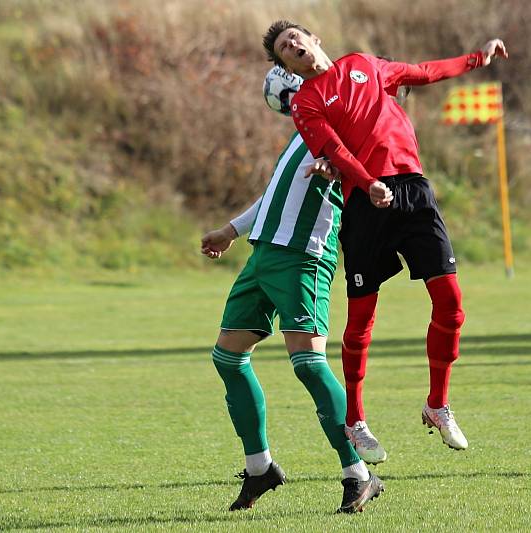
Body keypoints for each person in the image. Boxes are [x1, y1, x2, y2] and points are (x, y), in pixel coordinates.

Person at [262, 21, 508, 461]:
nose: (293, 45)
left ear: (315, 38)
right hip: (364, 205)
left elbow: (422, 72)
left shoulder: (363, 65)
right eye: (284, 48)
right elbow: (333, 150)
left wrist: (477, 58)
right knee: (361, 319)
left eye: (296, 37)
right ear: (286, 65)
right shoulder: (305, 102)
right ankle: (355, 421)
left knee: (451, 304)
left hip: (413, 191)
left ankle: (438, 405)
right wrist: (366, 181)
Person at [200, 68, 384, 514]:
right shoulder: (305, 131)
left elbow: (369, 172)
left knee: (308, 363)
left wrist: (336, 166)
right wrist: (231, 229)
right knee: (228, 355)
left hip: (304, 255)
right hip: (263, 253)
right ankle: (260, 467)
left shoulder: (350, 127)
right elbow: (276, 196)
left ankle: (358, 472)